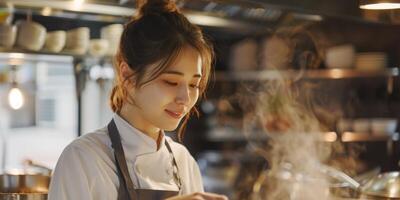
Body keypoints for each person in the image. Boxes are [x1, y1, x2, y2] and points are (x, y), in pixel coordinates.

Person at [48, 0, 228, 199]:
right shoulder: (84, 159)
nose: (185, 98)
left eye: (194, 84)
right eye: (170, 82)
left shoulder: (183, 161)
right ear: (128, 77)